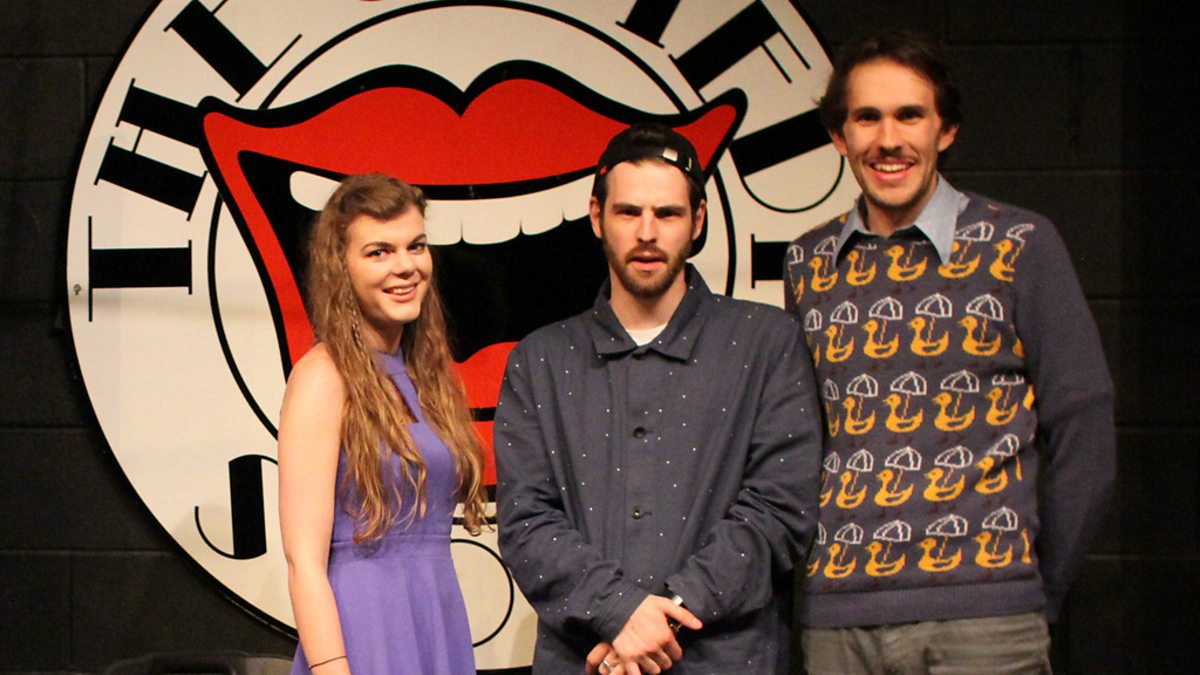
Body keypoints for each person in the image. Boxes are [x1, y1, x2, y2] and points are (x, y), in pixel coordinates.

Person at [784, 29, 1116, 673]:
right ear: (839, 137)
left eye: (910, 115)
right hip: (838, 622)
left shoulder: (1019, 244)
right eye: (867, 117)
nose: (888, 139)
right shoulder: (808, 262)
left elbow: (1085, 424)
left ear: (947, 130)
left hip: (986, 621)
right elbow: (800, 440)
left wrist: (1032, 589)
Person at [495, 123, 822, 675]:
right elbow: (526, 521)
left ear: (698, 221)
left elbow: (780, 509)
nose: (647, 233)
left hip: (727, 661)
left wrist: (659, 621)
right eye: (628, 212)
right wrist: (618, 611)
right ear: (597, 217)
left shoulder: (766, 342)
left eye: (667, 214)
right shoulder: (540, 360)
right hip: (586, 661)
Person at [278, 173, 487, 674]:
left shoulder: (427, 375)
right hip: (364, 629)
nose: (405, 266)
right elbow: (304, 561)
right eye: (379, 252)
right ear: (341, 267)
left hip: (435, 618)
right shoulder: (323, 377)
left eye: (416, 246)